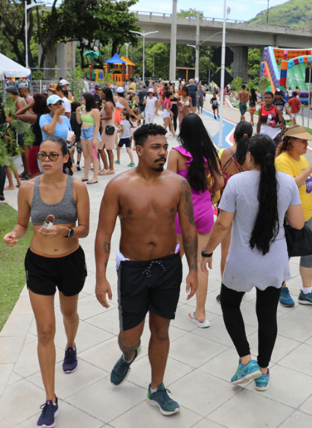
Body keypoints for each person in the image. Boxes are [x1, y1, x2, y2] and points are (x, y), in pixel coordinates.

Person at [94, 124, 198, 417]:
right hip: (132, 269)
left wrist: (193, 270)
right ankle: (128, 355)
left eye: (164, 147)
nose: (162, 152)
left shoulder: (178, 184)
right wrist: (101, 277)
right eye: (155, 147)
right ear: (138, 149)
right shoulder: (119, 185)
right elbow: (103, 234)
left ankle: (156, 387)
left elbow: (188, 229)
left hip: (168, 266)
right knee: (130, 337)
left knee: (161, 330)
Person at [201, 134, 304, 391]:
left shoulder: (236, 183)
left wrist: (207, 251)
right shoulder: (288, 182)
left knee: (229, 303)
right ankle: (264, 371)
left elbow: (223, 224)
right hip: (274, 261)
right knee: (267, 314)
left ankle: (246, 360)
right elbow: (299, 223)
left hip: (241, 261)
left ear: (249, 157)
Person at [2, 136, 90, 428]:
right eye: (42, 156)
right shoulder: (28, 188)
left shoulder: (76, 188)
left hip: (70, 261)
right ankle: (51, 399)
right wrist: (14, 234)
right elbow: (22, 223)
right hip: (38, 263)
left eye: (53, 155)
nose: (47, 160)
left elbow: (84, 229)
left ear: (66, 157)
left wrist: (66, 231)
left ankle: (70, 345)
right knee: (45, 330)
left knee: (69, 314)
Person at [167, 114, 224, 327]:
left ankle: (167, 305)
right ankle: (200, 313)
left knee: (174, 259)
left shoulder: (175, 154)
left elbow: (168, 185)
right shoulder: (209, 153)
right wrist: (207, 191)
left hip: (182, 212)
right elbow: (219, 182)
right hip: (204, 211)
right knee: (201, 263)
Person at [274, 126, 312, 308]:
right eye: (303, 141)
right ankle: (280, 287)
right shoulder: (282, 161)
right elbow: (290, 184)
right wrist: (311, 168)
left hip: (306, 216)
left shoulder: (303, 160)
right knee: (284, 254)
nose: (307, 144)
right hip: (287, 217)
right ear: (291, 142)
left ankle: (306, 292)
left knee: (310, 251)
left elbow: (308, 181)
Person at [217, 122, 253, 278]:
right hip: (245, 208)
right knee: (244, 248)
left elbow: (218, 181)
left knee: (226, 250)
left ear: (234, 136)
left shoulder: (224, 153)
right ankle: (240, 283)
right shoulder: (251, 157)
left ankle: (226, 287)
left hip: (225, 207)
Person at [75, 93, 101, 184]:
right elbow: (79, 121)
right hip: (83, 133)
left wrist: (94, 138)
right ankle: (85, 175)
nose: (82, 101)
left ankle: (95, 177)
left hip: (92, 133)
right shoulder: (83, 109)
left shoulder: (95, 111)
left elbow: (97, 125)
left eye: (83, 99)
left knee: (93, 155)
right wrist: (78, 112)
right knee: (86, 156)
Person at [99, 87, 117, 175]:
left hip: (108, 129)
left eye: (102, 93)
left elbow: (109, 116)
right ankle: (110, 168)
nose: (100, 94)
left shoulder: (108, 104)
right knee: (108, 149)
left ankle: (107, 168)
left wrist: (99, 118)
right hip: (107, 128)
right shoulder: (107, 103)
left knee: (101, 148)